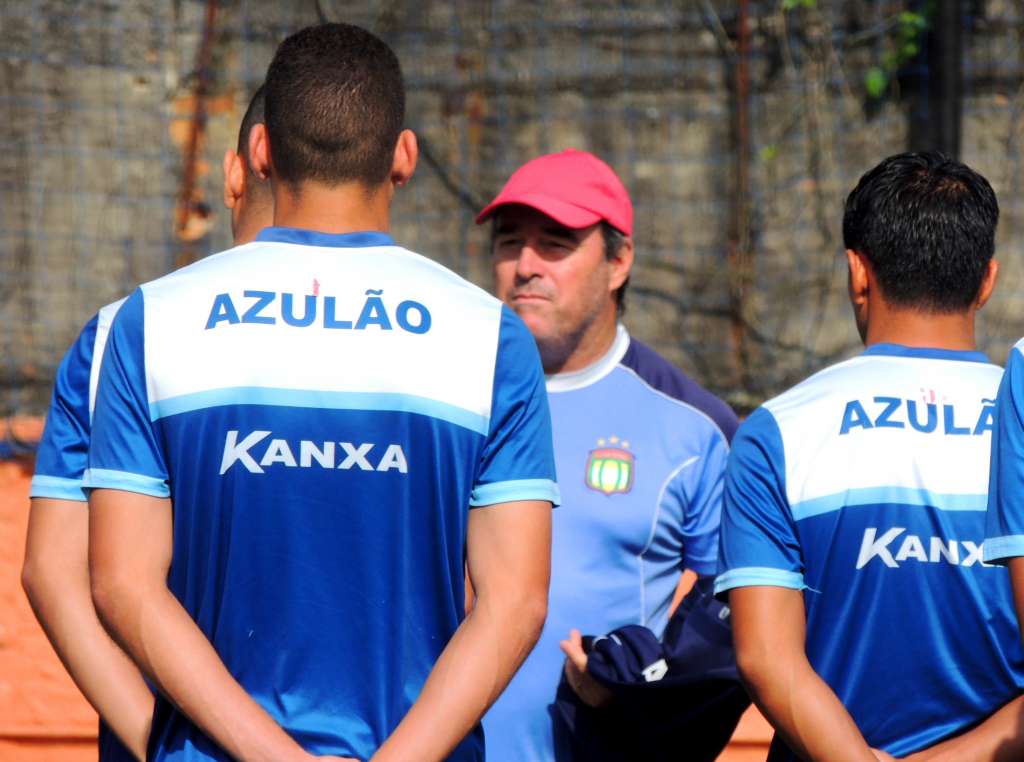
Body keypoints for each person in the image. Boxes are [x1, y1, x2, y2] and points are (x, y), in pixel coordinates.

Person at [85, 23, 556, 762]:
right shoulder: (490, 337)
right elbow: (516, 602)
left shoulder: (149, 323)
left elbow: (121, 583)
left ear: (261, 150)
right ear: (404, 156)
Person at [717, 151, 1024, 761]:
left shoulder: (776, 432)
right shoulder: (1017, 416)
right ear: (987, 281)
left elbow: (764, 657)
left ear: (857, 273)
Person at [22, 85, 273, 762]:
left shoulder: (122, 336)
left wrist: (154, 739)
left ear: (235, 172)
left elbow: (51, 570)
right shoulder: (441, 346)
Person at [477, 148, 738, 761]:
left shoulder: (694, 427)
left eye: (556, 245)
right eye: (510, 243)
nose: (525, 266)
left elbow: (721, 642)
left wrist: (621, 691)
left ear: (619, 261)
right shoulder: (443, 402)